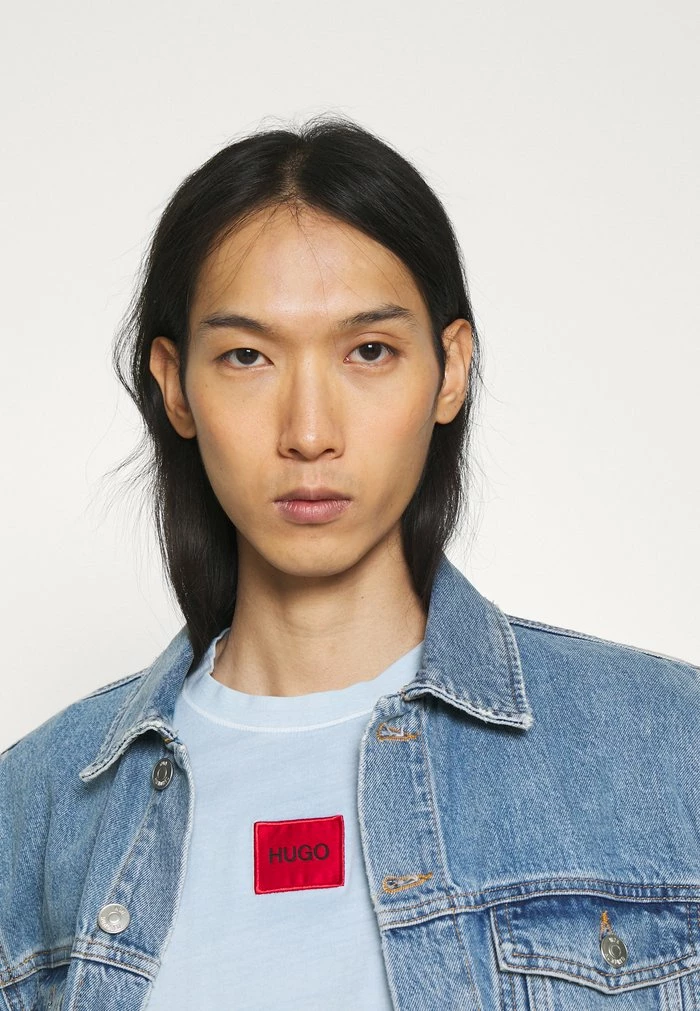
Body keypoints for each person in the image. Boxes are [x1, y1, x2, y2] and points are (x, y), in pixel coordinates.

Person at [1, 115, 698, 1011]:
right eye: (246, 356)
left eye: (369, 351)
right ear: (175, 385)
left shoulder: (669, 747)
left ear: (450, 369)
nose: (309, 432)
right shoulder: (34, 811)